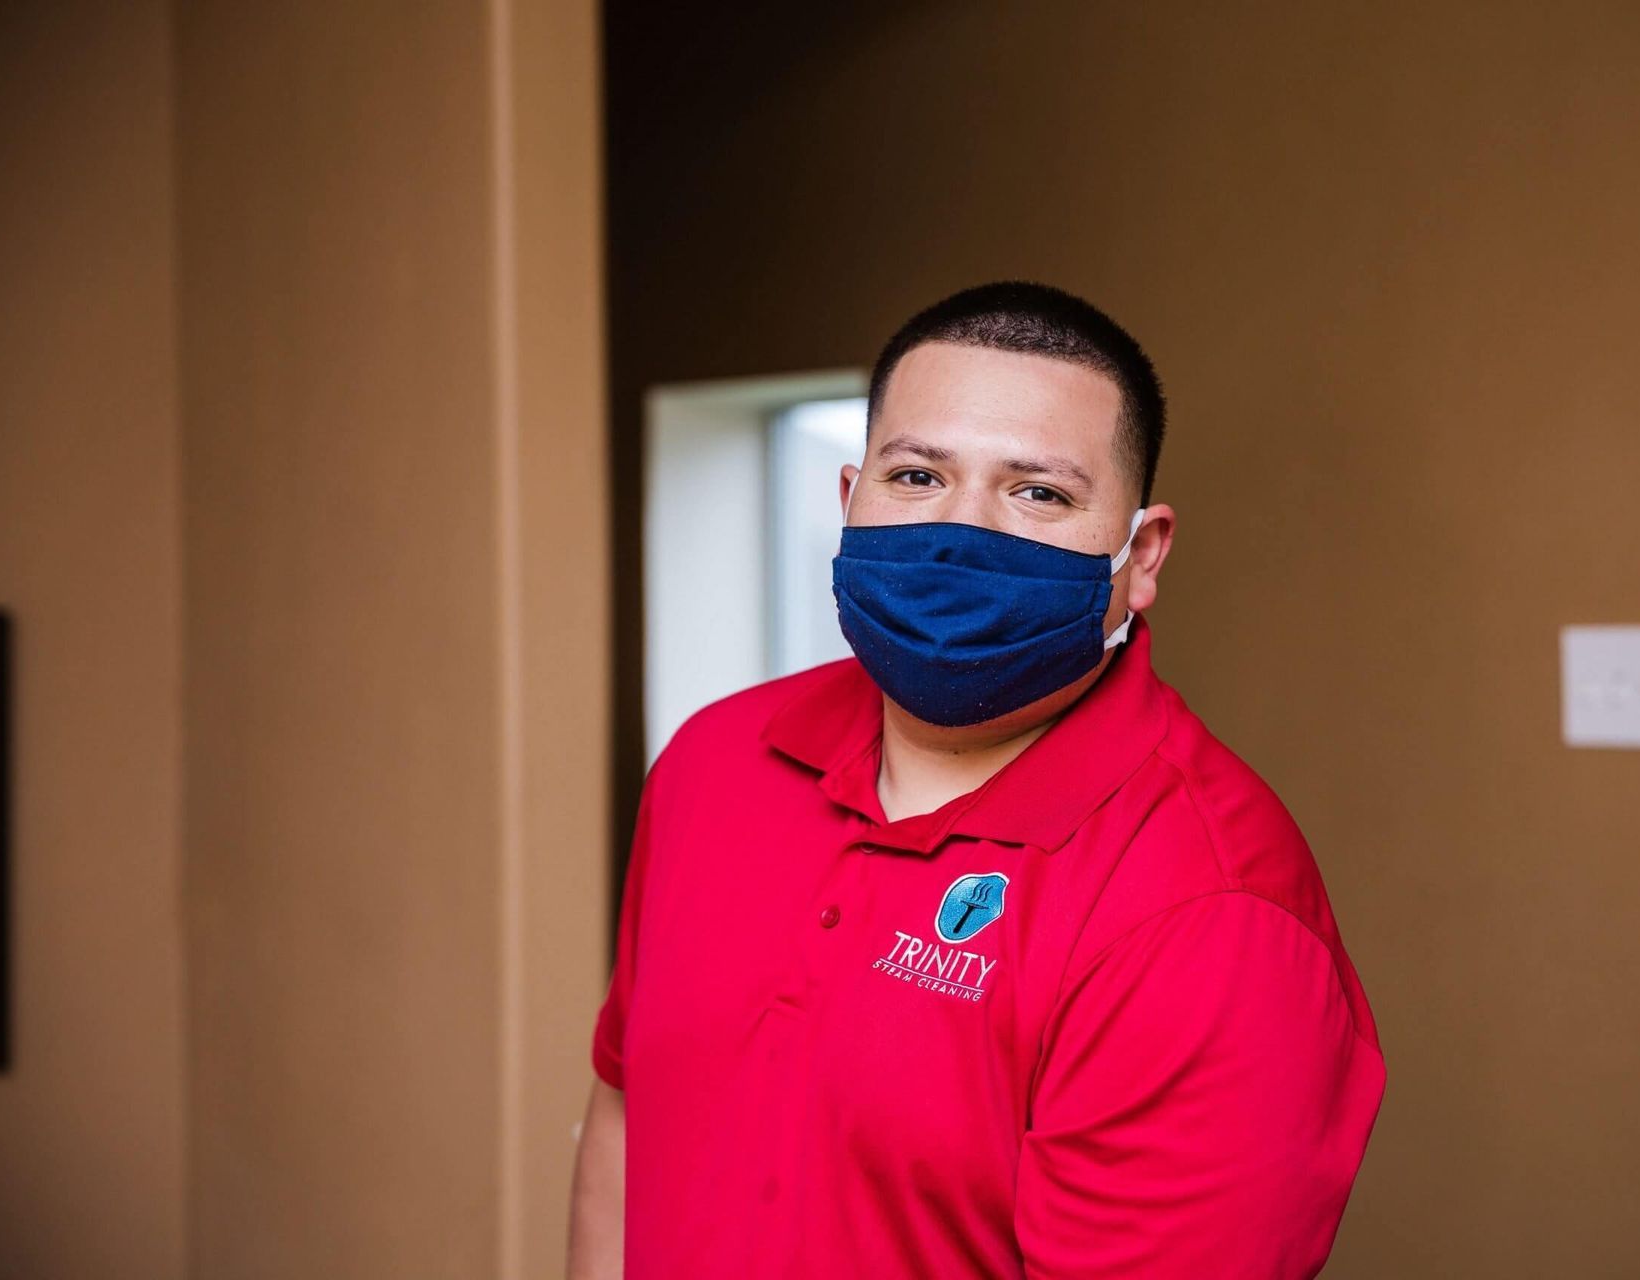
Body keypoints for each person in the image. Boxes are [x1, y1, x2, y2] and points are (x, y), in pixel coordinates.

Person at [566, 281, 1386, 1279]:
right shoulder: (715, 760)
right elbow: (628, 1113)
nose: (959, 532)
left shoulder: (1212, 912)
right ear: (848, 500)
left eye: (1037, 493)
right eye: (915, 475)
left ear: (1141, 556)